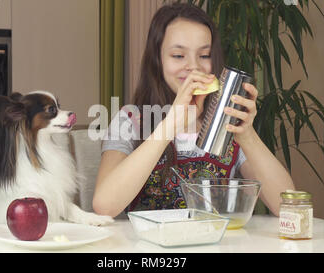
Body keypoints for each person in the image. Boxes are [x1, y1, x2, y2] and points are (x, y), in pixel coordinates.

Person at [93, 3, 295, 217]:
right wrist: (169, 125)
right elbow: (104, 206)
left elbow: (288, 207)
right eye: (178, 56)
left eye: (204, 55)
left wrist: (248, 136)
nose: (193, 66)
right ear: (157, 60)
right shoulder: (132, 119)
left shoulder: (226, 118)